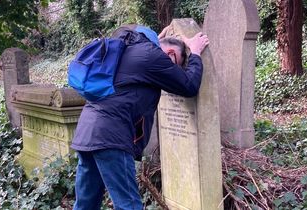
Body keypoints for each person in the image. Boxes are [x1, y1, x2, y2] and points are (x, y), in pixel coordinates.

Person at [71, 24, 209, 210]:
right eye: (174, 65)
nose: (170, 68)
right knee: (129, 205)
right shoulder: (153, 57)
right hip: (112, 138)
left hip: (86, 133)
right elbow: (189, 86)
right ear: (170, 55)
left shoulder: (125, 45)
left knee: (86, 204)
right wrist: (195, 53)